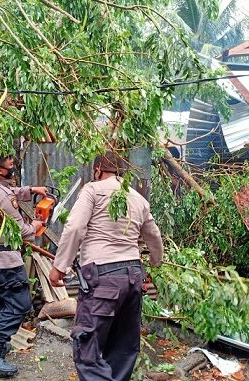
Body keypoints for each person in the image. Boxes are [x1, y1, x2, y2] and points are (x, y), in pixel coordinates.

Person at [49, 151, 164, 381]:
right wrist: (154, 265)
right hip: (133, 278)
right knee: (123, 348)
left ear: (98, 171)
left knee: (87, 349)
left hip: (103, 278)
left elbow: (74, 228)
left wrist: (59, 267)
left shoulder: (92, 190)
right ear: (120, 172)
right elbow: (154, 237)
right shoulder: (137, 198)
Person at [0, 154, 47, 376]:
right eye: (9, 163)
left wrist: (31, 190)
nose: (13, 165)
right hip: (3, 261)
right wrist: (34, 225)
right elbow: (20, 231)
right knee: (19, 304)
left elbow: (7, 193)